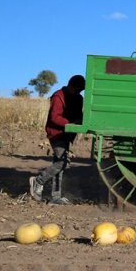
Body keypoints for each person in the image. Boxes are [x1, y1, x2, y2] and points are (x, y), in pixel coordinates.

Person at [29, 74, 85, 204]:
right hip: (56, 133)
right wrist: (69, 124)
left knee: (58, 165)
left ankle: (55, 197)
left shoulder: (78, 98)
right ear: (71, 85)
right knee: (63, 163)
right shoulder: (58, 96)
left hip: (67, 134)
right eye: (76, 90)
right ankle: (38, 181)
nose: (78, 92)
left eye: (80, 91)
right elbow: (55, 117)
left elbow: (78, 115)